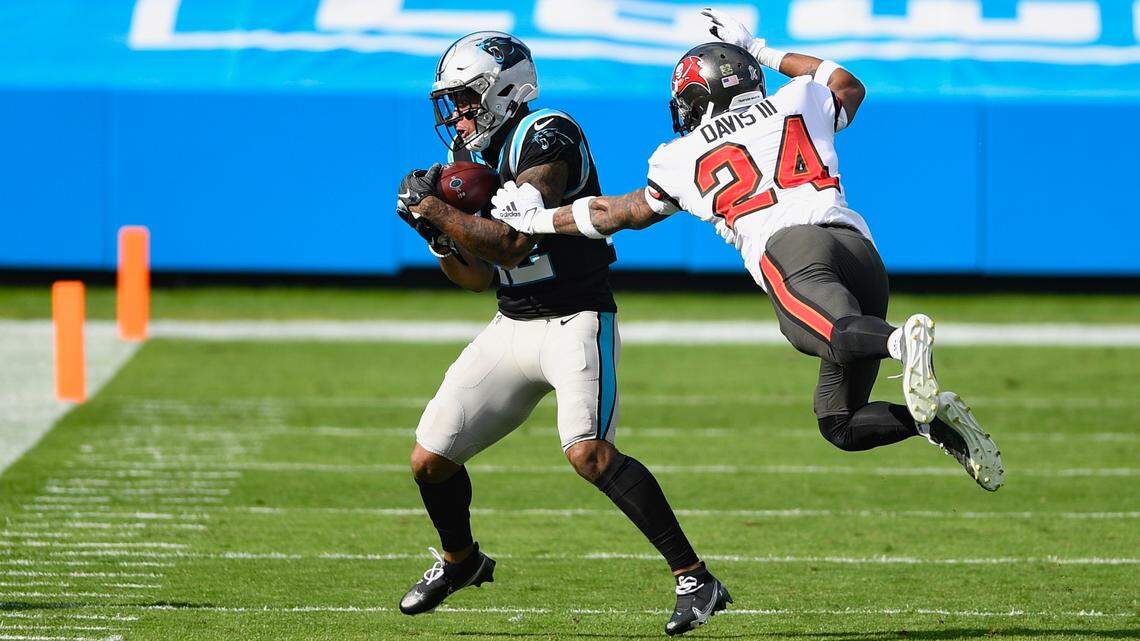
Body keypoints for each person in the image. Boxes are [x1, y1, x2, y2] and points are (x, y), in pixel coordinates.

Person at [489, 12, 1004, 493]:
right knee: (839, 422)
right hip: (859, 250)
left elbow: (615, 216)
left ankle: (900, 344)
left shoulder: (678, 156)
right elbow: (848, 84)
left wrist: (534, 220)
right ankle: (934, 423)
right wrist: (760, 46)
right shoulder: (798, 98)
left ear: (702, 95)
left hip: (791, 248)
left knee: (823, 336)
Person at [395, 31, 731, 635]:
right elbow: (474, 277)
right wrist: (434, 231)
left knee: (590, 454)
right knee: (429, 462)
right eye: (454, 103)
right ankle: (462, 561)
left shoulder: (547, 133)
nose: (460, 115)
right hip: (512, 322)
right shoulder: (468, 166)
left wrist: (438, 209)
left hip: (576, 319)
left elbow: (518, 238)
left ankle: (695, 577)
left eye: (468, 99)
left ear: (503, 89)